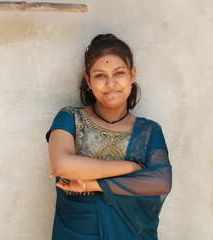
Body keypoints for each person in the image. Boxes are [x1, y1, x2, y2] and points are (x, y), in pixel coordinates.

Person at [46, 34, 172, 240]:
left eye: (119, 73)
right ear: (88, 80)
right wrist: (130, 168)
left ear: (132, 75)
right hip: (75, 232)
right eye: (100, 75)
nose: (111, 83)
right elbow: (62, 165)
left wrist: (91, 184)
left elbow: (160, 181)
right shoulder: (70, 118)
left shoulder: (148, 131)